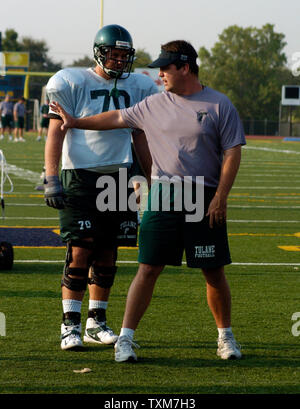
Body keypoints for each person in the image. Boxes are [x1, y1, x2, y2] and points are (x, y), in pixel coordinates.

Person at [50, 39, 246, 362]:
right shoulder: (154, 104)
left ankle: (225, 337)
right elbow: (115, 118)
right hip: (164, 195)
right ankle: (125, 339)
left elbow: (232, 153)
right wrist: (75, 122)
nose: (160, 75)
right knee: (148, 268)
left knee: (213, 271)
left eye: (165, 68)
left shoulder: (219, 105)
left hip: (204, 195)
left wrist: (221, 197)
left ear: (184, 67)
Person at [44, 24, 158, 351]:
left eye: (125, 55)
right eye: (115, 54)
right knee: (80, 250)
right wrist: (51, 177)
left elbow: (140, 135)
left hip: (119, 176)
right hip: (79, 175)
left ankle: (97, 321)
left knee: (108, 252)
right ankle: (70, 325)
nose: (120, 61)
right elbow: (57, 132)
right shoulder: (72, 80)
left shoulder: (139, 85)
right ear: (100, 52)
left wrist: (152, 179)